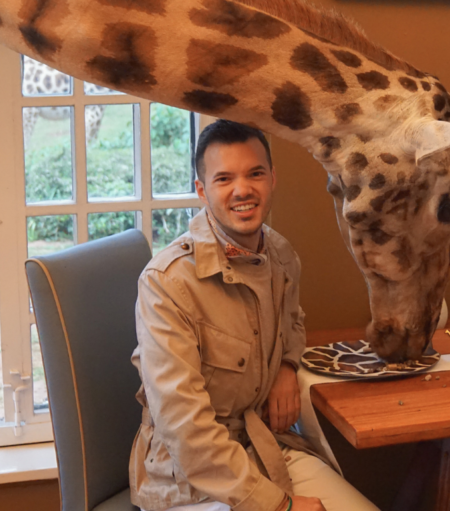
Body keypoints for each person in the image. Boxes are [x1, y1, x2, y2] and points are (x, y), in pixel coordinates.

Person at [129, 120, 377, 511]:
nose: (242, 189)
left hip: (264, 447)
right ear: (201, 190)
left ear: (272, 179)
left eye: (255, 174)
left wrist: (287, 367)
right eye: (224, 178)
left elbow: (293, 319)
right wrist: (281, 506)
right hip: (186, 481)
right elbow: (185, 430)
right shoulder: (165, 284)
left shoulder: (280, 254)